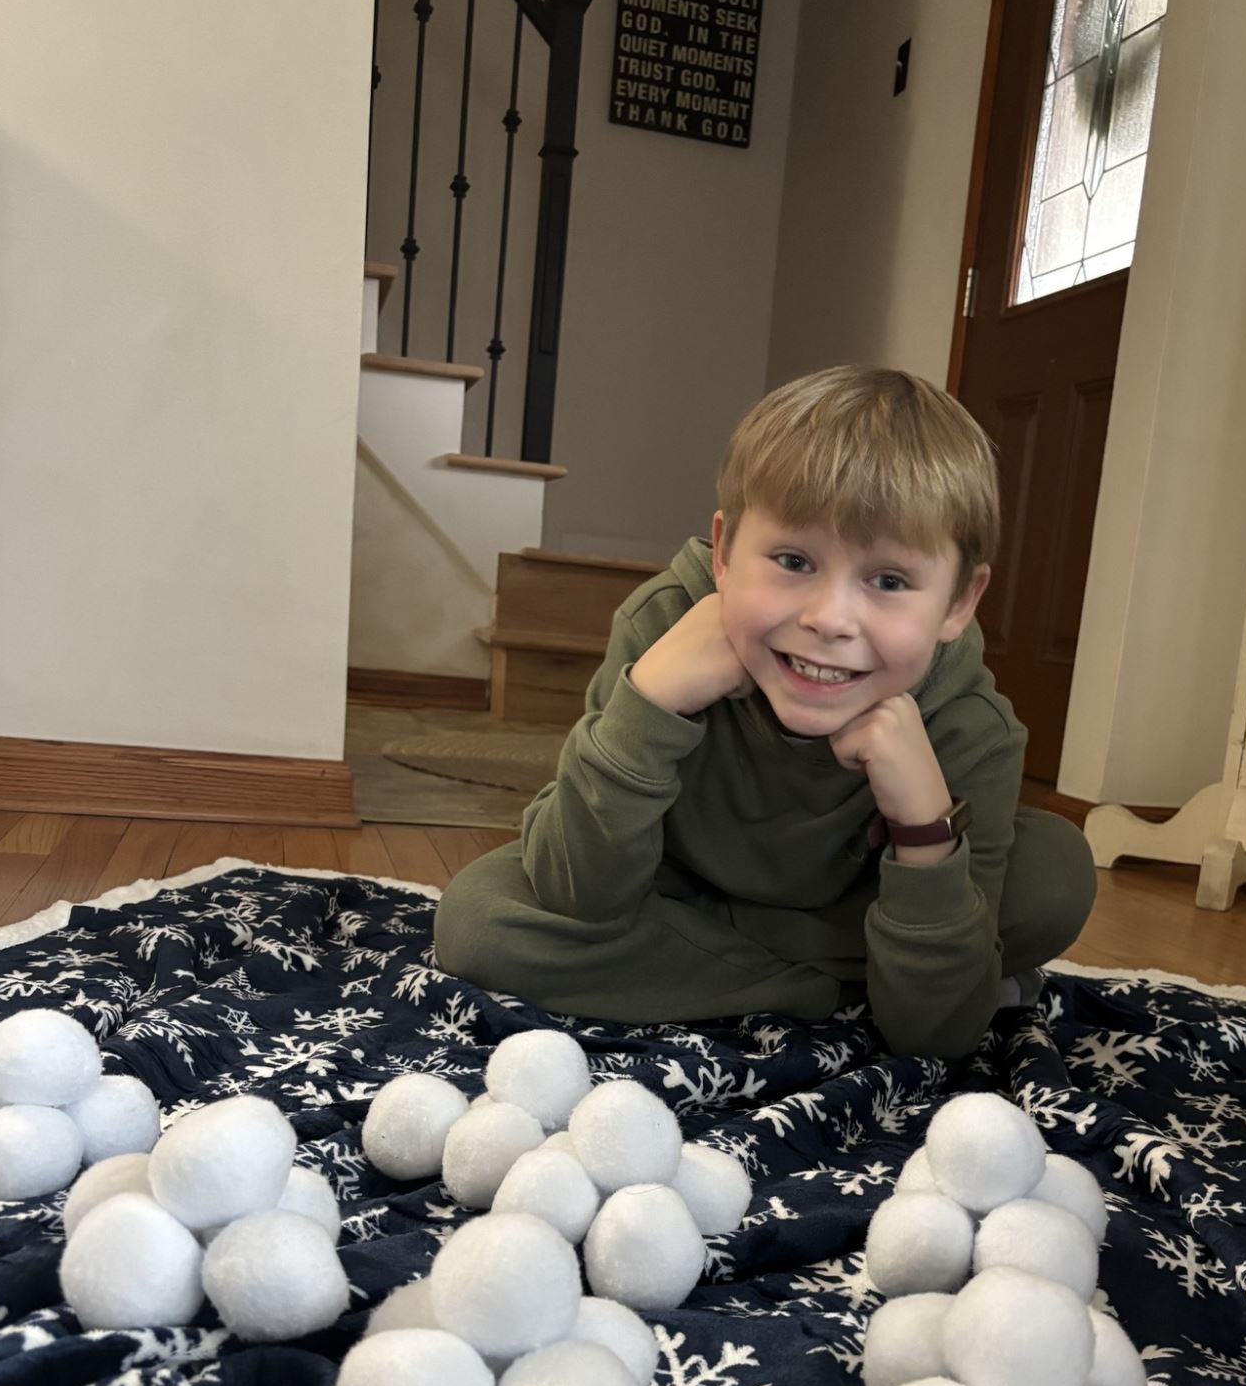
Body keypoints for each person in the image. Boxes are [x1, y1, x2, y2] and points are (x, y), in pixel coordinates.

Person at [435, 366, 1096, 1059]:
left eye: (890, 581)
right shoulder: (665, 623)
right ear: (722, 553)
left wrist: (924, 829)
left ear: (960, 603)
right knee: (479, 920)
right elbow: (577, 895)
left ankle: (755, 975)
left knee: (1054, 876)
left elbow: (939, 1038)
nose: (830, 619)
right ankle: (844, 989)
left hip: (823, 912)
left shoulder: (970, 728)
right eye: (792, 560)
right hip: (682, 890)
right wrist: (648, 705)